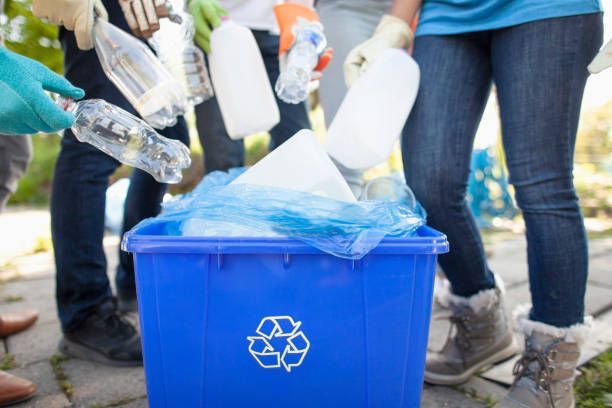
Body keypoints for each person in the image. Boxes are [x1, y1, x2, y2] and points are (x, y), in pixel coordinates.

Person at [345, 0, 602, 407]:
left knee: (542, 185)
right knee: (430, 183)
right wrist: (394, 22)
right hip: (447, 15)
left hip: (546, 10)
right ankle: (482, 323)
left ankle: (551, 367)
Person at [32, 0, 190, 366]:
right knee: (91, 147)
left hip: (124, 13)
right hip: (95, 7)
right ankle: (85, 312)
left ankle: (134, 277)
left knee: (169, 127)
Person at [187, 0, 313, 173]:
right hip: (216, 29)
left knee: (297, 146)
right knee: (223, 156)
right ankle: (226, 198)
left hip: (277, 27)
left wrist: (302, 16)